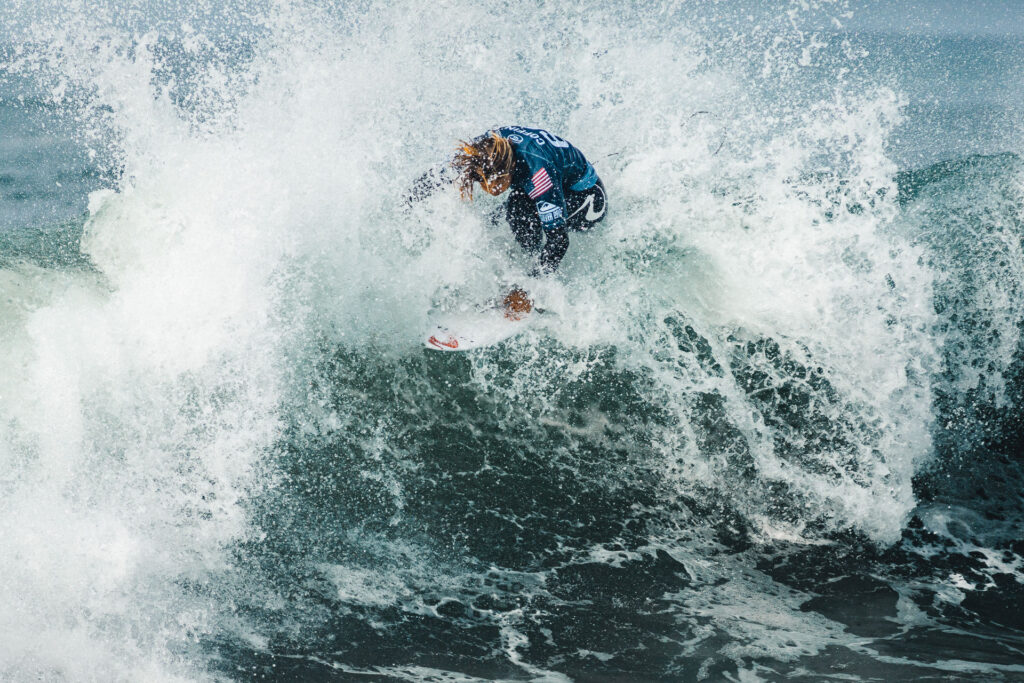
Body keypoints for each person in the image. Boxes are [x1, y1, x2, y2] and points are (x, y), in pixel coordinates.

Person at [409, 126, 607, 275]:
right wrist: (408, 201)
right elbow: (437, 176)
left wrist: (533, 285)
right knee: (493, 220)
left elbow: (559, 241)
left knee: (518, 209)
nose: (489, 190)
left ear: (509, 169)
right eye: (482, 182)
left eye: (495, 185)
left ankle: (530, 278)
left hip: (587, 200)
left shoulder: (539, 174)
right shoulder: (483, 149)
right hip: (554, 181)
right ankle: (529, 256)